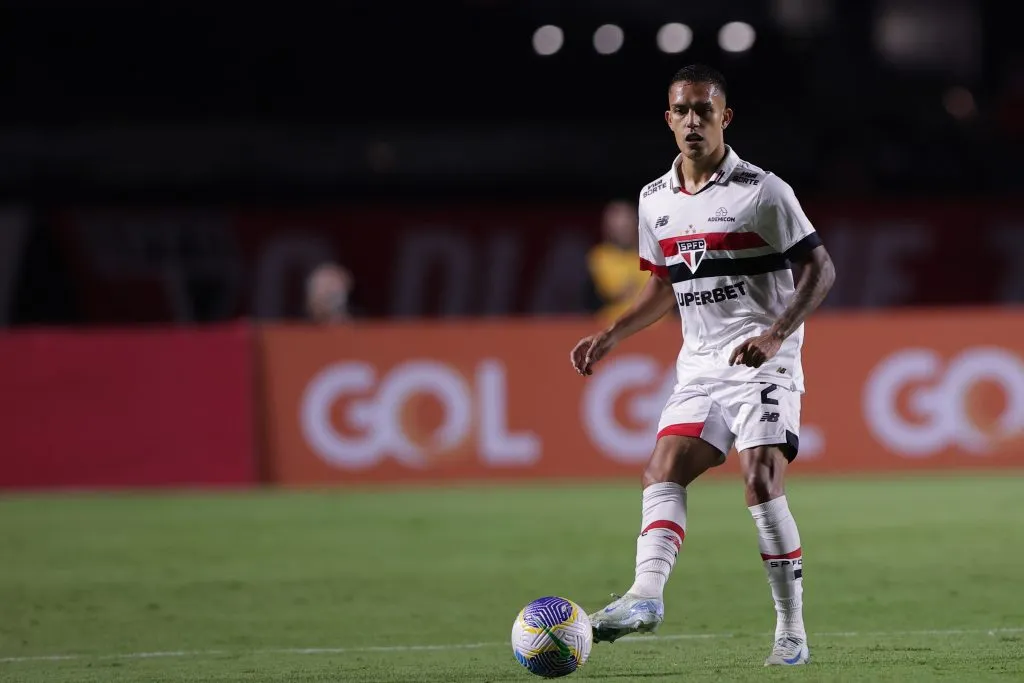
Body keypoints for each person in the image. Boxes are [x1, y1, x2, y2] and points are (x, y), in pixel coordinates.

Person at [569, 64, 835, 667]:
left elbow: (822, 270)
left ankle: (790, 630)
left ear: (725, 117)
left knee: (761, 482)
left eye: (704, 110)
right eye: (682, 110)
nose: (693, 121)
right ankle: (645, 597)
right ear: (668, 119)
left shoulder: (764, 191)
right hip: (701, 365)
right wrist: (612, 335)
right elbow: (665, 284)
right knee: (662, 469)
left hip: (765, 360)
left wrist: (775, 335)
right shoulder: (654, 200)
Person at [585, 200, 653, 323]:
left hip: (658, 327)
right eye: (618, 226)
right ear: (608, 228)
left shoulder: (653, 254)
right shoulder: (600, 256)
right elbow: (614, 291)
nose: (623, 231)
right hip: (615, 325)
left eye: (626, 224)